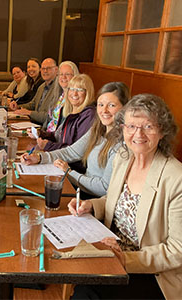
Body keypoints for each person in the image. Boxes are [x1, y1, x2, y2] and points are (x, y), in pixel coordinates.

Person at [69, 94, 182, 300]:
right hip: (112, 251)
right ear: (122, 128)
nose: (138, 134)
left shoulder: (176, 178)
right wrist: (91, 206)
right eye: (131, 126)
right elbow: (114, 200)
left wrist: (125, 259)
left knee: (87, 292)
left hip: (152, 272)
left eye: (148, 126)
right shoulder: (123, 158)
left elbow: (177, 250)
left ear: (162, 131)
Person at [22, 82, 130, 199]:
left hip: (94, 203)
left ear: (124, 108)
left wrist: (69, 173)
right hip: (81, 192)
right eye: (101, 104)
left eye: (112, 105)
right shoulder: (98, 130)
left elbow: (104, 188)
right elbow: (71, 152)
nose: (104, 110)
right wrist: (39, 158)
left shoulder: (122, 144)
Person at [9, 58, 61, 125]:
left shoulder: (58, 89)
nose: (45, 71)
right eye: (43, 69)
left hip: (45, 129)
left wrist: (29, 113)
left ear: (56, 70)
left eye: (48, 68)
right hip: (34, 124)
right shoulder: (41, 87)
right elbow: (32, 104)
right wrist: (17, 106)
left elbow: (50, 117)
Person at [41, 61, 79, 132]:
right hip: (47, 135)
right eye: (61, 74)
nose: (63, 77)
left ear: (75, 76)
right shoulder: (59, 95)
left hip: (56, 140)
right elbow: (49, 119)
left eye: (67, 74)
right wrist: (40, 133)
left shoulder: (75, 99)